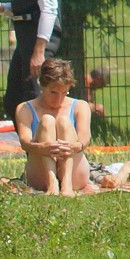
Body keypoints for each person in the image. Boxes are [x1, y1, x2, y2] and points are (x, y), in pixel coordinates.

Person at [0, 0, 62, 119]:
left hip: (40, 41)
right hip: (26, 40)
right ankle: (28, 138)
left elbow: (50, 8)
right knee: (13, 100)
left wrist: (39, 51)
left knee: (34, 97)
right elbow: (28, 7)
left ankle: (46, 136)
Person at [16, 58, 92, 196]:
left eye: (64, 93)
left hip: (74, 170)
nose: (58, 99)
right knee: (46, 121)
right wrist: (43, 147)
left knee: (63, 121)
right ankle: (52, 184)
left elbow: (85, 137)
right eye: (53, 93)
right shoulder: (25, 108)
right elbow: (24, 142)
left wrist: (75, 146)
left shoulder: (80, 106)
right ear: (42, 86)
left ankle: (67, 184)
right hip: (40, 174)